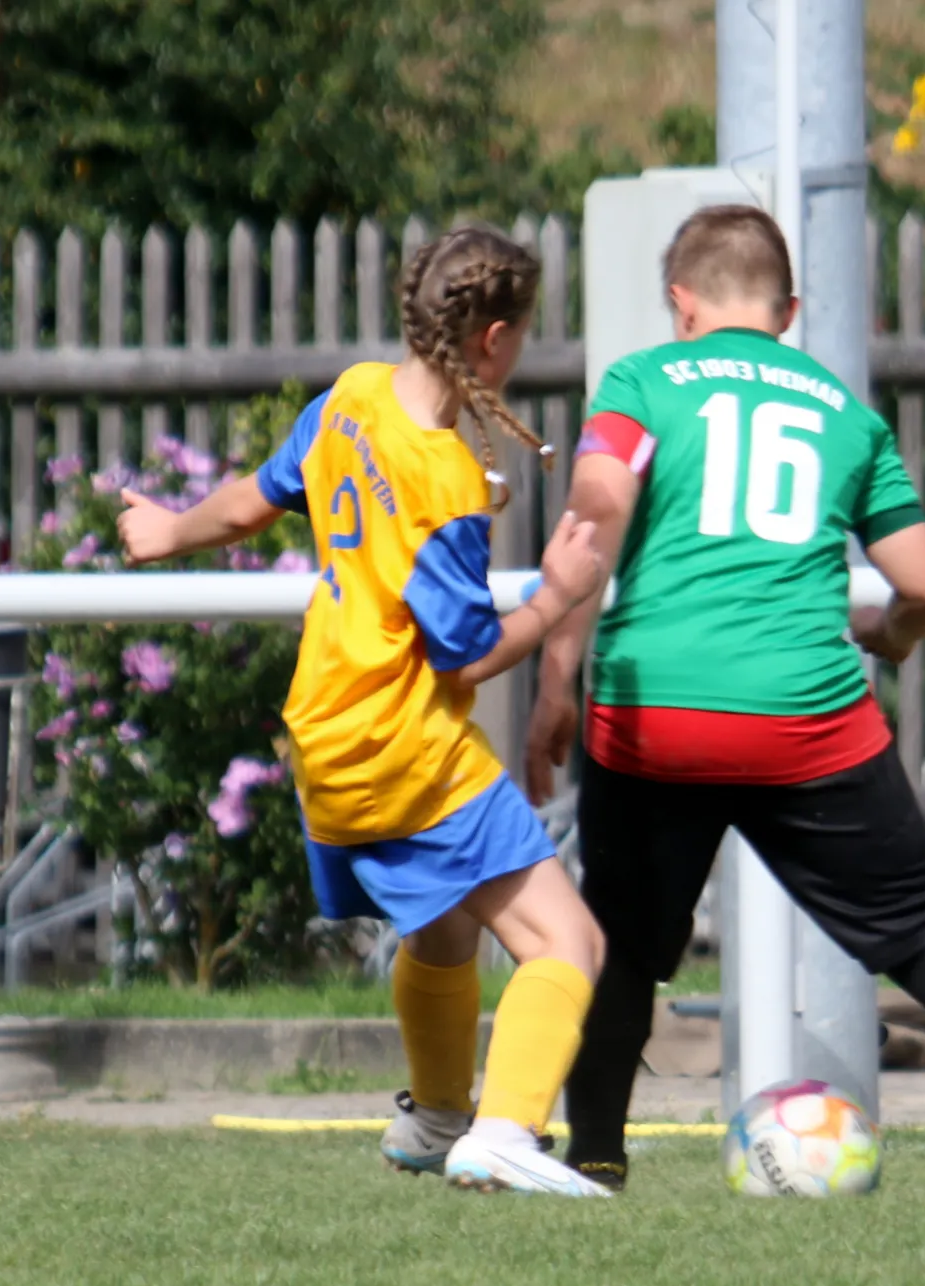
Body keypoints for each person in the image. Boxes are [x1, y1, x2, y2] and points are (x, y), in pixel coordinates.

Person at [524, 204, 925, 1201]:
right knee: (924, 933)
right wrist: (891, 635)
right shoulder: (842, 412)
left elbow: (595, 514)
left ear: (681, 303)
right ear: (787, 310)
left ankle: (597, 1160)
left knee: (617, 946)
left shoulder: (641, 381)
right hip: (806, 721)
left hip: (659, 713)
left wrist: (553, 684)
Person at [118, 225, 614, 1198]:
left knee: (443, 924)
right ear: (493, 339)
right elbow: (467, 651)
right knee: (568, 943)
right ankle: (505, 1130)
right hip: (407, 748)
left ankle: (436, 1118)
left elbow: (252, 502)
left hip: (329, 739)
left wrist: (167, 529)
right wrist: (557, 594)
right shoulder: (446, 480)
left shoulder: (348, 400)